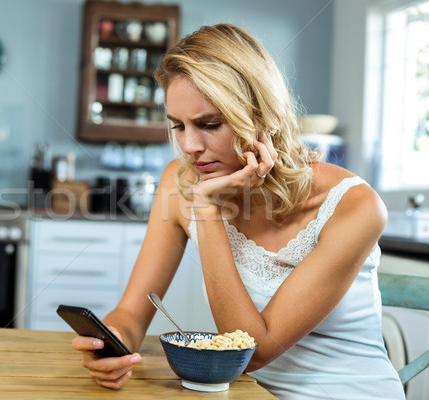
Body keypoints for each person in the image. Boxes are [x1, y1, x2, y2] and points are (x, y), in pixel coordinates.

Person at [71, 24, 405, 399]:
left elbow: (251, 351)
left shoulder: (354, 205)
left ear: (263, 116)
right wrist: (113, 344)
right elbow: (132, 313)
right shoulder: (179, 182)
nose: (189, 146)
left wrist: (208, 212)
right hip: (242, 394)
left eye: (209, 124)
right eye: (178, 126)